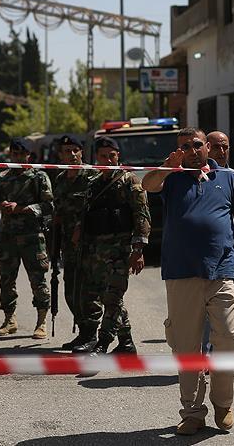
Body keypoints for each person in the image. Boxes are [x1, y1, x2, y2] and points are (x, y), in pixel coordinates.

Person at [142, 127, 234, 436]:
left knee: (227, 337)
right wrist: (167, 166)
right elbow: (147, 184)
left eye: (196, 144)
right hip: (181, 273)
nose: (192, 150)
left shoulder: (229, 178)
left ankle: (223, 403)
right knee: (186, 346)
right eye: (185, 146)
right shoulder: (172, 178)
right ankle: (192, 412)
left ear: (207, 146)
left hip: (222, 271)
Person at [73, 136, 150, 354]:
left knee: (113, 297)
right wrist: (79, 230)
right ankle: (126, 343)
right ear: (96, 158)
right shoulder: (94, 182)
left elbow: (142, 216)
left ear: (118, 156)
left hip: (120, 250)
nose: (108, 160)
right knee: (107, 298)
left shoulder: (129, 180)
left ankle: (103, 344)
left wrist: (138, 250)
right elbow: (87, 212)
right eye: (103, 156)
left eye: (112, 156)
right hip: (96, 251)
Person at [0, 137, 53, 339]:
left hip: (32, 236)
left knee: (38, 280)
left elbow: (48, 206)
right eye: (14, 154)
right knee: (6, 280)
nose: (17, 158)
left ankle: (41, 322)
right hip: (8, 237)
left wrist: (21, 209)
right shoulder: (1, 178)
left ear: (28, 155)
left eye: (22, 154)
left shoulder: (38, 176)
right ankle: (9, 320)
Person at [51, 135, 100, 350]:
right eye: (66, 151)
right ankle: (83, 332)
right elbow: (58, 210)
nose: (71, 155)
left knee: (88, 292)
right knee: (71, 292)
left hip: (90, 245)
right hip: (68, 245)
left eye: (75, 150)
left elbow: (98, 208)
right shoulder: (61, 178)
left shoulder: (92, 175)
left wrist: (83, 227)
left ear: (81, 152)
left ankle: (92, 335)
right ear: (60, 155)